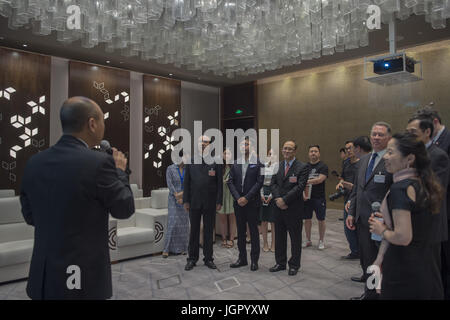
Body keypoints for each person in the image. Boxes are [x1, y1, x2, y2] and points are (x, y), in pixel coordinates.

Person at [19, 97, 135, 300]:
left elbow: (30, 216)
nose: (103, 128)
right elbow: (124, 208)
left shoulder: (34, 163)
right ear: (92, 124)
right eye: (102, 122)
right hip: (81, 274)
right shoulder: (99, 163)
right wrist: (121, 172)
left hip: (43, 274)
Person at [369, 132, 444, 299]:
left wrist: (381, 229)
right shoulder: (422, 184)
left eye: (390, 152)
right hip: (425, 264)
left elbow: (402, 236)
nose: (385, 157)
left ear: (409, 159)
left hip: (404, 268)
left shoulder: (400, 188)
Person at [347, 122, 393, 300]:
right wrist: (352, 212)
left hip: (382, 223)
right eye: (374, 134)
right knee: (368, 259)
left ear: (388, 138)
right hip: (362, 219)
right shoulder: (364, 160)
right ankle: (370, 294)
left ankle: (384, 294)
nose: (376, 137)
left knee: (383, 261)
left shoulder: (391, 159)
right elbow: (358, 190)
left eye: (380, 135)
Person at [406, 115, 449, 298]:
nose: (409, 136)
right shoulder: (412, 156)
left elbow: (434, 192)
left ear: (427, 132)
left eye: (413, 133)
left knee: (433, 274)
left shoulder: (438, 156)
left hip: (430, 223)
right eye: (407, 132)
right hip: (411, 223)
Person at [183, 135, 223, 271]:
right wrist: (186, 200)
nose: (204, 144)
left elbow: (219, 184)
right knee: (193, 231)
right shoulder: (190, 161)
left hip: (210, 203)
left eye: (206, 142)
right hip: (193, 202)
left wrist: (219, 201)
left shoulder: (216, 161)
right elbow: (186, 182)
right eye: (201, 142)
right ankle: (192, 259)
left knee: (208, 231)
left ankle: (208, 259)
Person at [270, 140, 309, 276]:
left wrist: (285, 200)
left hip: (294, 208)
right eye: (285, 148)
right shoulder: (277, 166)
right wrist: (278, 199)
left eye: (290, 149)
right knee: (279, 237)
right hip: (278, 208)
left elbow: (300, 187)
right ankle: (280, 263)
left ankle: (294, 265)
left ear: (295, 151)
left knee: (295, 238)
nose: (286, 151)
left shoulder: (303, 167)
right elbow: (273, 184)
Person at [227, 137, 264, 271]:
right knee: (241, 232)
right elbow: (230, 181)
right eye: (242, 144)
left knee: (253, 232)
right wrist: (238, 198)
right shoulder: (235, 163)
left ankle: (254, 260)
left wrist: (247, 198)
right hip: (238, 203)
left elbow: (260, 182)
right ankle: (242, 259)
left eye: (247, 144)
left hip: (252, 203)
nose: (244, 146)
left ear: (252, 147)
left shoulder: (259, 163)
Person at [163, 152, 190, 258]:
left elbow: (189, 184)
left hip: (185, 199)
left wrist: (182, 195)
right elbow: (169, 184)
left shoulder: (188, 169)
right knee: (173, 222)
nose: (186, 158)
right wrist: (177, 196)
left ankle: (183, 248)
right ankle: (167, 249)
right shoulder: (170, 169)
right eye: (185, 156)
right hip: (173, 199)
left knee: (184, 224)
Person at [338, 140, 361, 260]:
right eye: (346, 148)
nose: (348, 150)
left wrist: (348, 185)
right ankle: (355, 251)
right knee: (348, 228)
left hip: (358, 199)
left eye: (350, 148)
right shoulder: (346, 162)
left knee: (358, 227)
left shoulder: (362, 164)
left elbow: (359, 185)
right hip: (347, 199)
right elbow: (342, 177)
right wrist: (340, 183)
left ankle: (362, 251)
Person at [303, 145, 328, 250]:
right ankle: (308, 240)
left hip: (319, 198)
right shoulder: (305, 167)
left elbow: (319, 180)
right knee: (307, 219)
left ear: (319, 153)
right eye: (311, 151)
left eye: (315, 151)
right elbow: (301, 181)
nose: (313, 153)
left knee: (321, 219)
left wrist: (306, 181)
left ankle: (321, 241)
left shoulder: (323, 166)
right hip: (307, 198)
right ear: (308, 153)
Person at [217, 148, 237, 249]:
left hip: (232, 194)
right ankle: (224, 238)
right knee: (222, 218)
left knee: (233, 218)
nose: (227, 155)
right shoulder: (219, 167)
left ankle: (232, 239)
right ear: (222, 155)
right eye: (225, 153)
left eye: (229, 153)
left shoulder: (235, 166)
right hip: (222, 195)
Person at [260, 148, 278, 253]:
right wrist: (262, 194)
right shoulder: (263, 166)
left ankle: (273, 243)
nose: (271, 156)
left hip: (274, 193)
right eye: (269, 154)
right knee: (264, 220)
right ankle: (265, 243)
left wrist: (272, 195)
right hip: (263, 191)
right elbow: (260, 181)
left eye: (273, 154)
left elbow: (278, 183)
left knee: (273, 221)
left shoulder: (278, 167)